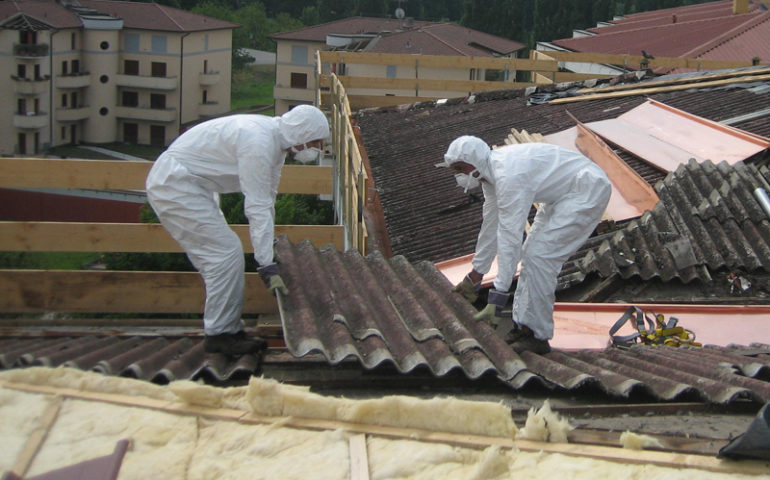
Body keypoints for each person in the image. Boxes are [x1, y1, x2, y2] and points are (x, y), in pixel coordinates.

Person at [145, 105, 330, 356]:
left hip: (191, 184)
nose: (318, 148)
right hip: (175, 184)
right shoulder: (260, 142)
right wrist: (265, 263)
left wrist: (267, 253)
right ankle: (219, 335)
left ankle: (228, 329)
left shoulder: (274, 145)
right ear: (302, 133)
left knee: (223, 256)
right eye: (316, 141)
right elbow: (257, 205)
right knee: (224, 255)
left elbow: (268, 197)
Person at [438, 136, 611, 354]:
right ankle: (524, 327)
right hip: (560, 197)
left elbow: (510, 235)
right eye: (455, 170)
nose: (460, 176)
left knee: (540, 257)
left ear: (474, 160)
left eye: (461, 168)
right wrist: (476, 274)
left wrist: (499, 294)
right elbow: (491, 226)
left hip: (586, 189)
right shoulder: (489, 175)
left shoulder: (508, 175)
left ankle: (537, 334)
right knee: (531, 254)